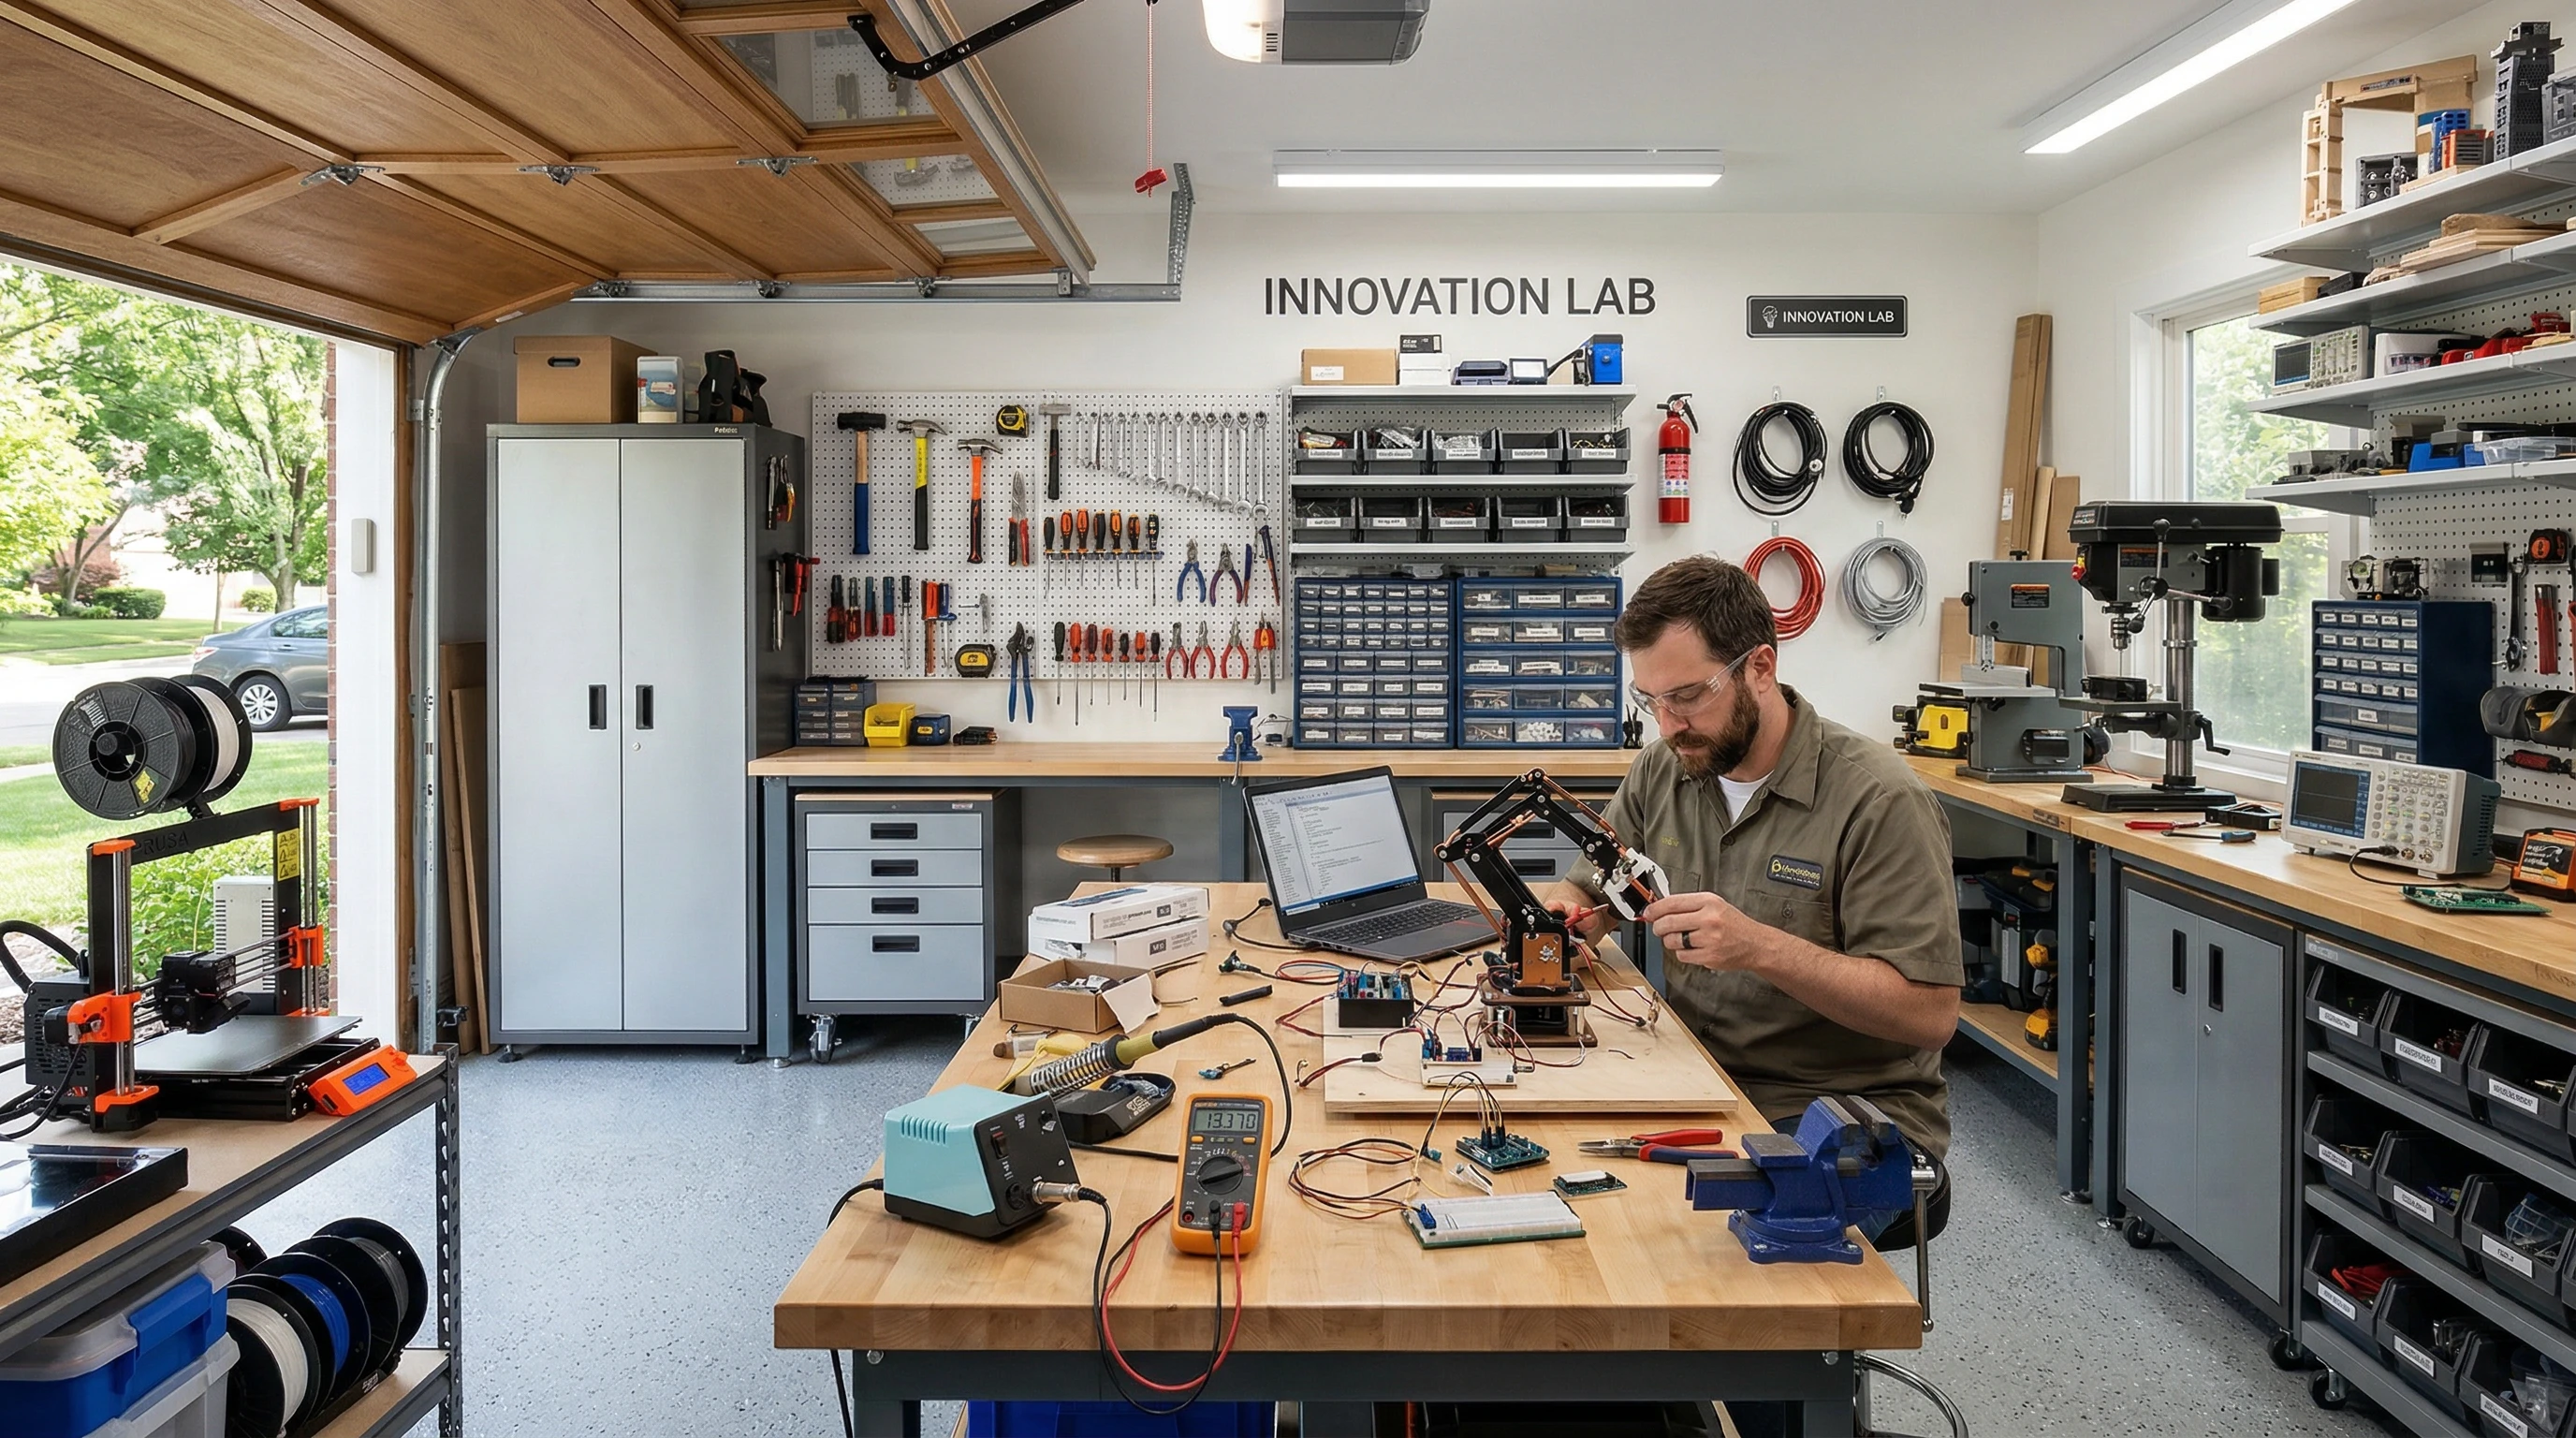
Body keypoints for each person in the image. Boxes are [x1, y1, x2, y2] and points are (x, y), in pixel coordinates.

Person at [1548, 554, 1964, 1162]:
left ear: (1761, 668)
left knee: (1689, 1232)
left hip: (1838, 1107)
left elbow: (1929, 1015)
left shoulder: (1880, 801)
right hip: (1693, 1072)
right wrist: (1566, 916)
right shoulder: (1666, 769)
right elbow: (1592, 887)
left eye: (1688, 696)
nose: (1668, 726)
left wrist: (1760, 949)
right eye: (1651, 701)